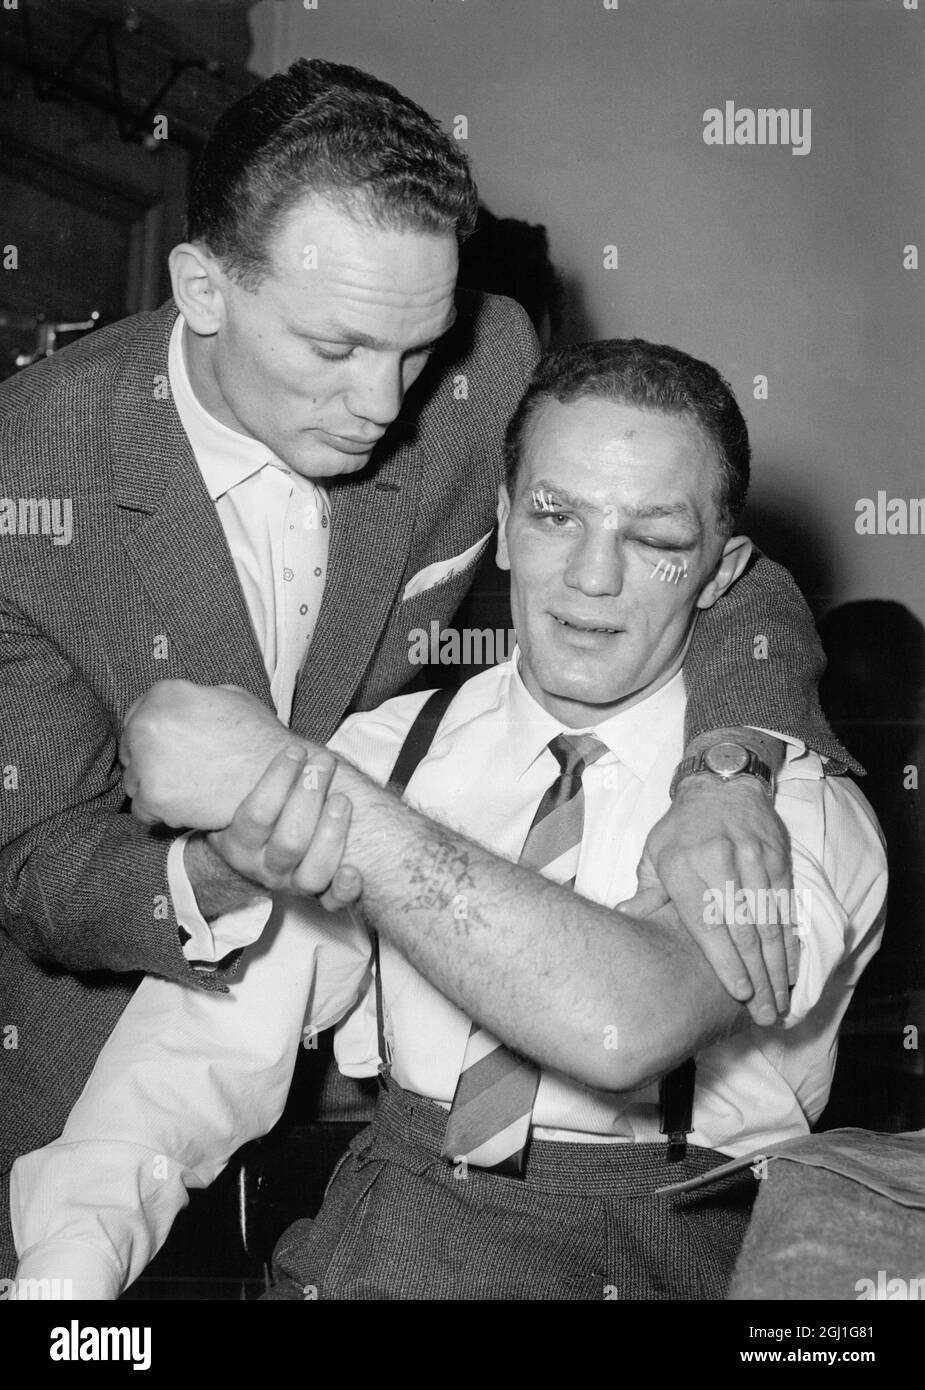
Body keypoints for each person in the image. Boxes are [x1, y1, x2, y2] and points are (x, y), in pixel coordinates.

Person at [12, 340, 887, 1300]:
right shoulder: (387, 750)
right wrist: (65, 1283)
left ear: (721, 573)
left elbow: (622, 1022)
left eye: (654, 538)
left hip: (675, 1254)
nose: (592, 576)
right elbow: (195, 1059)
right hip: (391, 1232)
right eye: (557, 516)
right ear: (505, 525)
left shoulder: (783, 807)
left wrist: (308, 792)